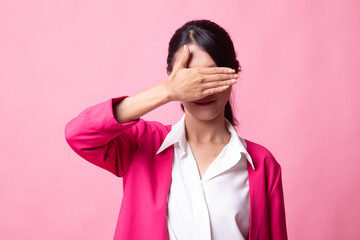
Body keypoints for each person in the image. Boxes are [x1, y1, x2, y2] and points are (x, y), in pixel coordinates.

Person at [65, 19, 287, 240]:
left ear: (233, 72)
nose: (201, 90)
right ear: (171, 76)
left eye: (211, 75)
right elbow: (79, 133)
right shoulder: (143, 143)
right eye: (190, 78)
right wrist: (167, 91)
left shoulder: (262, 165)